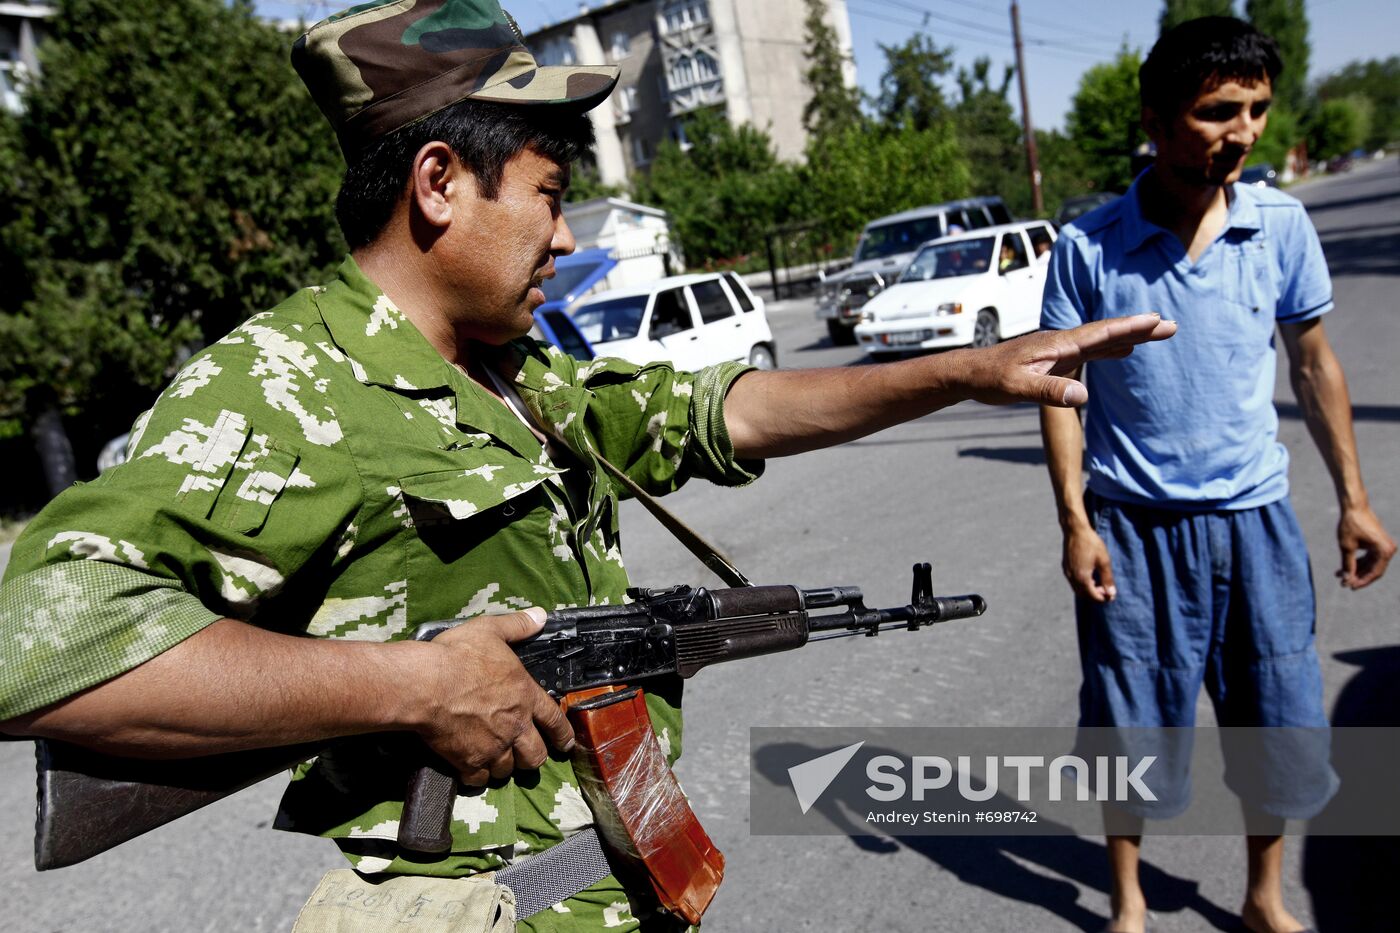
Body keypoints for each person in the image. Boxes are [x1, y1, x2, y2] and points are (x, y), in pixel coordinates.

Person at [0, 1, 1173, 929]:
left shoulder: (509, 370)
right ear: (439, 184)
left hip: (597, 885)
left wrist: (962, 373)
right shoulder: (283, 386)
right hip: (477, 906)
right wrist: (412, 689)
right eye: (551, 198)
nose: (567, 238)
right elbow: (35, 649)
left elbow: (719, 410)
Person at [1038, 17, 1395, 933]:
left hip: (1257, 524)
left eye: (1258, 111)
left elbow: (1314, 365)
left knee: (1274, 719)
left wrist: (1354, 501)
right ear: (1155, 119)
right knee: (1129, 727)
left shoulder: (1280, 224)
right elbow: (1060, 391)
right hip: (1133, 532)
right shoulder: (1088, 249)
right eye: (1216, 112)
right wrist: (1076, 520)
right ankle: (1128, 899)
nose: (1242, 132)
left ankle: (1264, 895)